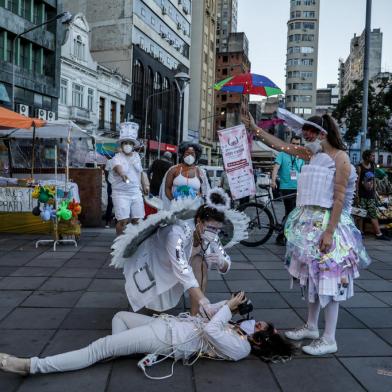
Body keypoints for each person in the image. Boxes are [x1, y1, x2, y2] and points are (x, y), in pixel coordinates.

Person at [247, 113, 371, 356]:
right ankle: (312, 327)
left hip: (328, 226)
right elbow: (280, 146)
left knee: (330, 281)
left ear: (322, 133)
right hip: (309, 226)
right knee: (311, 278)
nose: (305, 135)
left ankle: (329, 338)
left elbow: (338, 199)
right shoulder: (312, 155)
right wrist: (254, 128)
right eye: (304, 131)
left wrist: (329, 232)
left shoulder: (341, 159)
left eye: (309, 131)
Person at [0, 292, 295, 377]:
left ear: (260, 341)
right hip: (163, 325)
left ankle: (31, 366)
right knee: (120, 317)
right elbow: (208, 314)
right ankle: (118, 349)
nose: (255, 323)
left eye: (259, 327)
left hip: (166, 340)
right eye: (258, 321)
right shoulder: (235, 329)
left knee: (97, 347)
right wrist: (228, 303)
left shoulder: (241, 349)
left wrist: (229, 310)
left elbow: (209, 328)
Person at [111, 188, 248, 317]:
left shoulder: (212, 235)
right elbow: (181, 269)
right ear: (199, 221)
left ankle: (196, 317)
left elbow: (226, 263)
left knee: (200, 263)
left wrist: (220, 261)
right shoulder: (177, 233)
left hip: (182, 262)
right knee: (156, 307)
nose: (214, 232)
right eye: (211, 227)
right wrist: (205, 301)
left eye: (217, 229)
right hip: (159, 260)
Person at [109, 123, 145, 235]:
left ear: (133, 145)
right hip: (120, 193)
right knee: (123, 220)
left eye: (130, 143)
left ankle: (133, 242)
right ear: (122, 144)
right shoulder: (116, 158)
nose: (128, 145)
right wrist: (123, 174)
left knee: (137, 220)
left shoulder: (137, 157)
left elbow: (141, 172)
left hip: (135, 191)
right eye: (126, 143)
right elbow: (118, 168)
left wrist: (146, 185)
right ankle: (119, 243)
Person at [271, 135, 305, 245]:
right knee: (290, 212)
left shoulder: (301, 156)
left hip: (298, 188)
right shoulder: (282, 154)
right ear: (290, 143)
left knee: (294, 213)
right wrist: (273, 180)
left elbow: (303, 172)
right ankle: (281, 236)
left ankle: (285, 235)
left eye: (297, 144)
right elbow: (276, 167)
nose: (295, 146)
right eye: (294, 143)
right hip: (286, 187)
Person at [161, 142, 209, 209]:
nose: (190, 156)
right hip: (176, 208)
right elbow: (167, 188)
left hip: (194, 208)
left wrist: (199, 196)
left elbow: (205, 191)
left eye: (192, 154)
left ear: (196, 155)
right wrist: (173, 201)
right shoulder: (174, 170)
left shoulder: (200, 172)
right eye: (187, 153)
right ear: (182, 154)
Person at [356, 150, 389, 240]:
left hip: (370, 195)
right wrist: (357, 196)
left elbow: (374, 180)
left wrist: (375, 192)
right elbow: (357, 182)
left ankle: (379, 234)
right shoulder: (360, 167)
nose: (373, 158)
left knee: (373, 214)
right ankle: (360, 232)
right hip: (362, 195)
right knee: (360, 215)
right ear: (367, 157)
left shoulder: (373, 166)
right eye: (372, 156)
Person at [103, 158, 114, 228]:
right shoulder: (110, 161)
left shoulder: (125, 161)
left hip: (121, 185)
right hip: (111, 184)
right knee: (110, 202)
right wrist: (108, 180)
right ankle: (108, 221)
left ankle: (119, 220)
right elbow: (106, 171)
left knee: (120, 203)